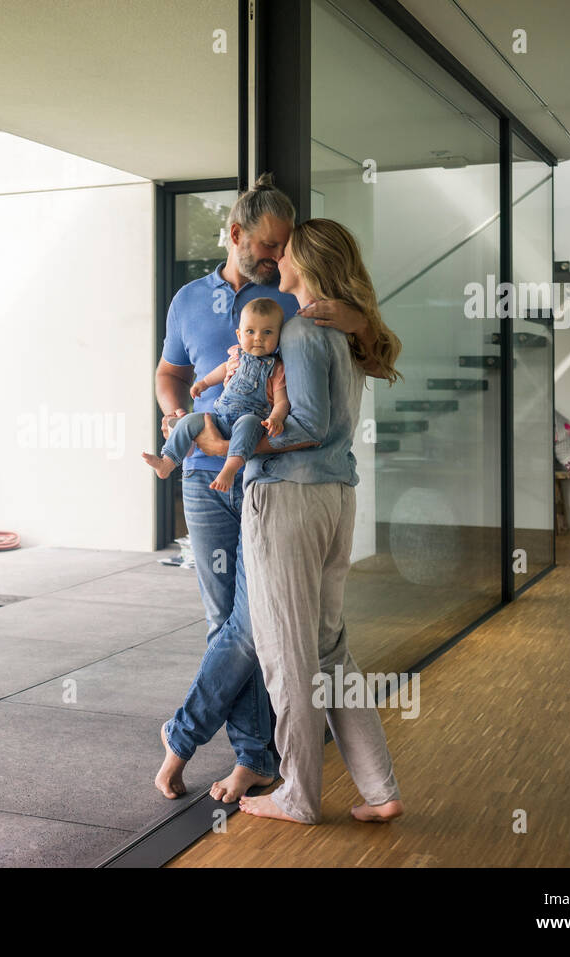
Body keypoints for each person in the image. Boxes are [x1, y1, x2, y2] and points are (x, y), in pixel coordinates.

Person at [152, 174, 384, 804]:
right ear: (236, 235)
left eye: (286, 247)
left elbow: (351, 337)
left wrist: (361, 317)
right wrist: (177, 417)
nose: (276, 255)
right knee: (223, 621)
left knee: (257, 630)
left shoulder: (290, 300)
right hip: (205, 480)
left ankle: (192, 743)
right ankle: (254, 758)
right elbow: (171, 372)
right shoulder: (187, 301)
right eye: (268, 244)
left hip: (265, 477)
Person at [228, 218, 406, 825]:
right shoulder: (345, 333)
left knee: (285, 654)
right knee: (330, 653)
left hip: (290, 503)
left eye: (285, 253)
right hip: (335, 500)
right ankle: (380, 791)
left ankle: (298, 795)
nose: (275, 261)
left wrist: (238, 448)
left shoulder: (304, 331)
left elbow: (305, 426)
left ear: (304, 260)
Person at [143, 298, 289, 493]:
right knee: (189, 421)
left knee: (248, 423)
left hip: (250, 422)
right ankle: (167, 461)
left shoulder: (277, 368)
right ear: (239, 335)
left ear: (279, 337)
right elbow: (221, 370)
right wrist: (203, 383)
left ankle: (229, 469)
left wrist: (275, 418)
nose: (258, 338)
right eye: (250, 331)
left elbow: (282, 401)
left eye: (268, 332)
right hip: (220, 419)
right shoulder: (236, 355)